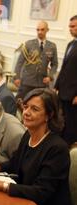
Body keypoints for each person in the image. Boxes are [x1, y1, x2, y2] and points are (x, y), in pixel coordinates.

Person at [14, 21, 58, 99]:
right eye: (38, 30)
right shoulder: (28, 44)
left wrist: (50, 76)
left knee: (37, 106)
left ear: (47, 30)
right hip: (27, 82)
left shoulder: (52, 46)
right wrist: (17, 77)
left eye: (42, 29)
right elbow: (19, 63)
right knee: (20, 103)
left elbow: (54, 64)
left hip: (41, 83)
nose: (39, 32)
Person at [55, 15, 77, 146]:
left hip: (73, 94)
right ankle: (61, 144)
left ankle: (69, 147)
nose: (70, 29)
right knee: (62, 120)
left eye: (73, 26)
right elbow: (64, 67)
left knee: (72, 123)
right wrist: (56, 86)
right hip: (63, 91)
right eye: (69, 26)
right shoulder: (71, 44)